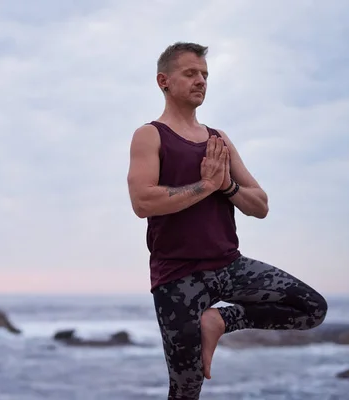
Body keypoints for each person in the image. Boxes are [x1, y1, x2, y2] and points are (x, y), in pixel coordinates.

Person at [126, 42, 328, 399]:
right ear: (164, 81)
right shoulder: (150, 135)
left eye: (205, 75)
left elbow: (260, 205)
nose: (201, 81)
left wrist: (227, 186)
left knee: (312, 308)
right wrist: (206, 186)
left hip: (229, 266)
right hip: (177, 277)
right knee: (187, 388)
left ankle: (220, 321)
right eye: (190, 73)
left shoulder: (219, 140)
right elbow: (143, 201)